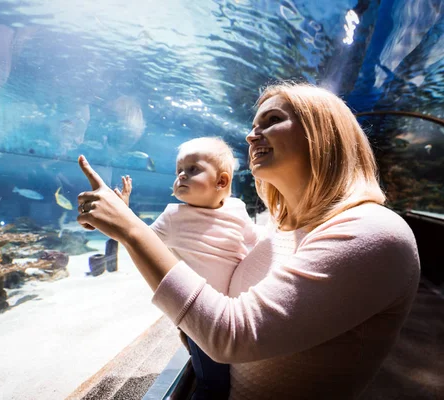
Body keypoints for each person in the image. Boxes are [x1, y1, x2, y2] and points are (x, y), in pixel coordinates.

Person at [75, 82, 420, 399]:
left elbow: (233, 335)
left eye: (272, 120)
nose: (252, 136)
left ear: (324, 132)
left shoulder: (374, 232)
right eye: (254, 127)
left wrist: (131, 229)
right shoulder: (280, 228)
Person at [116, 137, 263, 399]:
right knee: (214, 384)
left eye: (193, 169)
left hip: (235, 311)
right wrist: (123, 213)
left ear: (222, 182)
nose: (182, 175)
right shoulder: (173, 216)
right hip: (202, 317)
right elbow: (142, 242)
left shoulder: (237, 208)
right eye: (178, 171)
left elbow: (257, 244)